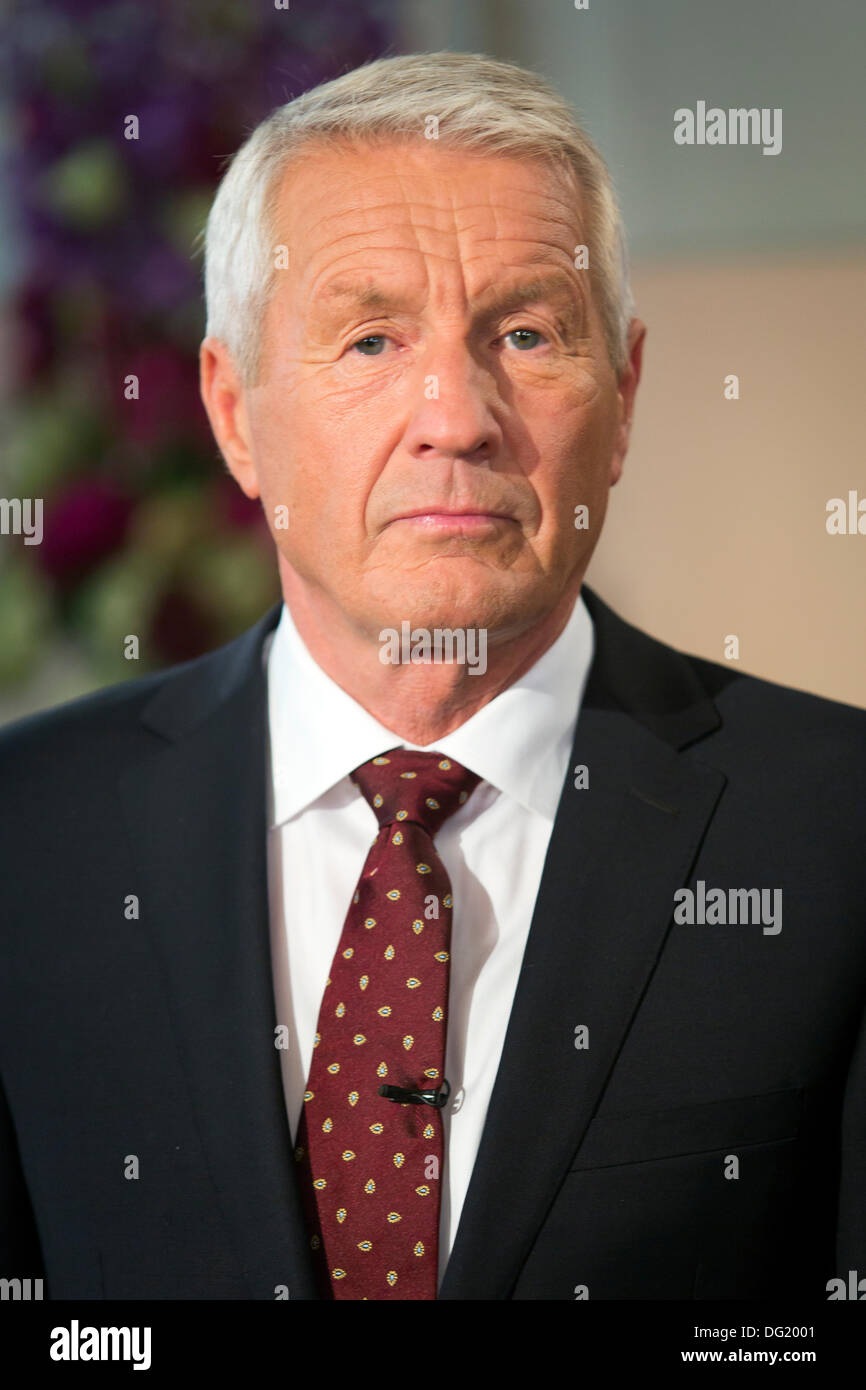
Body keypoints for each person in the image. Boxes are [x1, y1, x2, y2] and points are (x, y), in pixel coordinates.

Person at [1, 51, 863, 1302]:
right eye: (368, 338)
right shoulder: (28, 837)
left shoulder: (836, 831)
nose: (453, 416)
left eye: (523, 333)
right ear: (235, 415)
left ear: (620, 402)